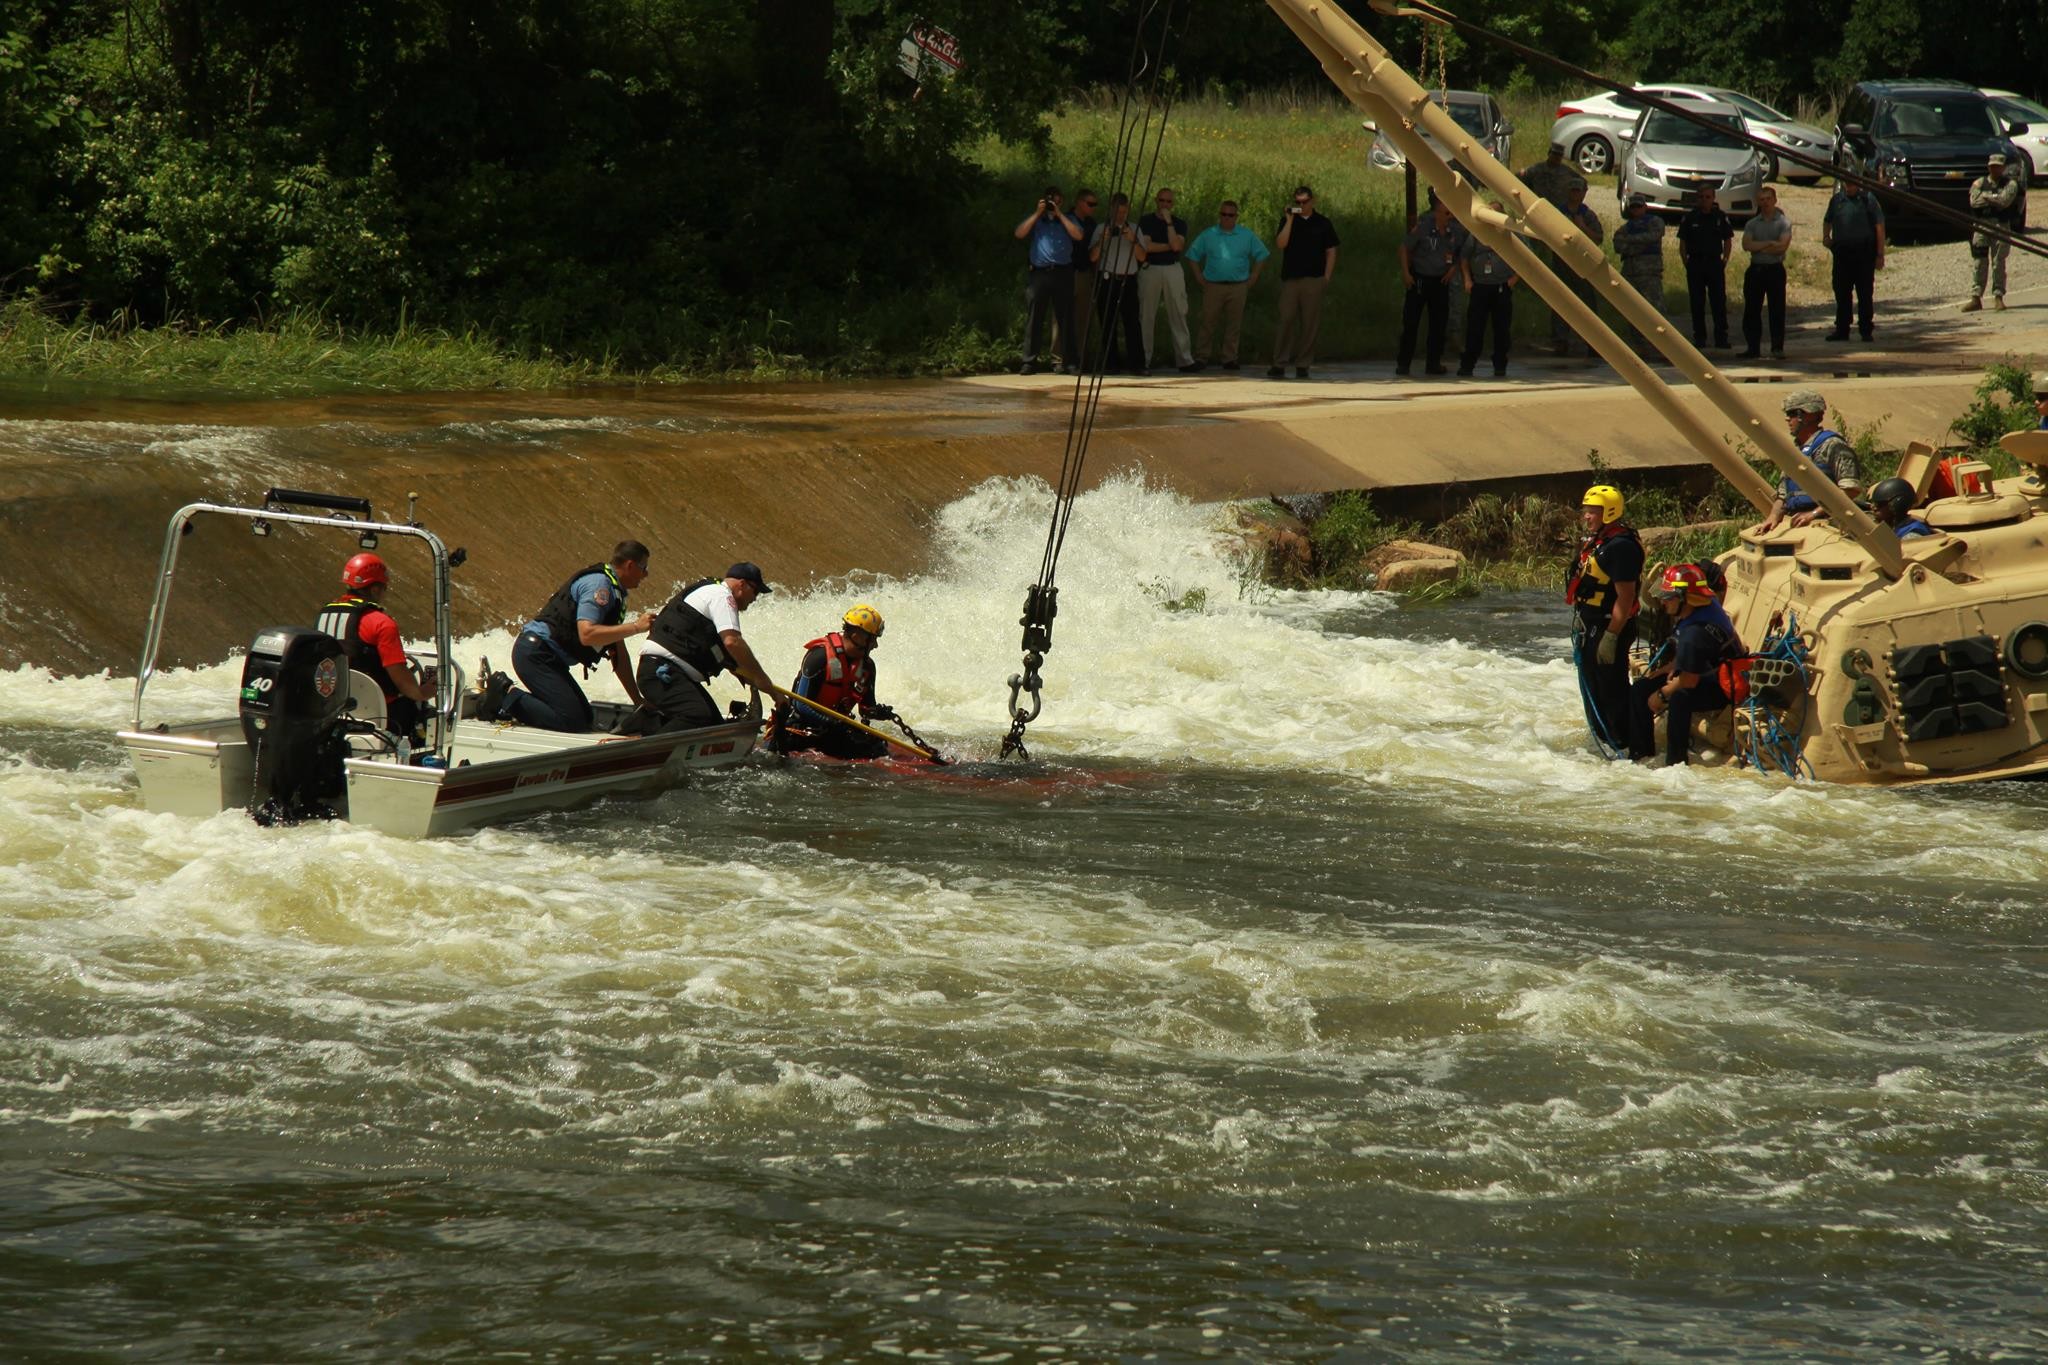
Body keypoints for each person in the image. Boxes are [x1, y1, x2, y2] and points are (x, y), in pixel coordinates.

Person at [481, 542, 653, 732]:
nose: (646, 574)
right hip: (535, 653)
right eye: (643, 568)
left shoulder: (616, 592)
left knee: (586, 717)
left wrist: (638, 701)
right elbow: (587, 634)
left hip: (550, 659)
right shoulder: (600, 586)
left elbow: (618, 654)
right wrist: (637, 627)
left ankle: (516, 700)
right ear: (630, 565)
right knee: (573, 721)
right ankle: (505, 694)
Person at [634, 563, 778, 731]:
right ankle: (647, 739)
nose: (755, 598)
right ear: (742, 584)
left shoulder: (712, 593)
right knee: (698, 717)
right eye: (756, 591)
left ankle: (646, 722)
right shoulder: (722, 596)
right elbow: (732, 642)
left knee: (713, 727)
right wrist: (765, 682)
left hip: (671, 673)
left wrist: (752, 677)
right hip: (661, 672)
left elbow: (723, 653)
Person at [1629, 563, 1744, 768]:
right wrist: (1668, 668)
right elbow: (1692, 661)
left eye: (1668, 598)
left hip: (1719, 686)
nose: (1663, 603)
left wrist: (1661, 695)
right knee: (1640, 689)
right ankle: (1641, 756)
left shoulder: (1695, 633)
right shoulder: (1703, 606)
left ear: (1686, 599)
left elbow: (1688, 681)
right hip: (1700, 670)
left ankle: (1675, 762)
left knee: (1679, 698)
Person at [317, 552, 432, 744]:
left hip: (333, 708)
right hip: (380, 714)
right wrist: (423, 692)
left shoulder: (323, 616)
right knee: (417, 707)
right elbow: (401, 679)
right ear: (376, 589)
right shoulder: (381, 623)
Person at [1567, 484, 1643, 754]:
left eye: (1593, 512)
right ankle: (1602, 737)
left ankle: (1620, 741)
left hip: (1609, 626)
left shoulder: (1621, 547)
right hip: (1591, 624)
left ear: (1609, 513)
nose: (1586, 517)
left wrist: (1611, 636)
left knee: (1610, 687)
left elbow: (1625, 597)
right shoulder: (1599, 541)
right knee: (1594, 684)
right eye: (1585, 511)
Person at [770, 604, 896, 760]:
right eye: (872, 639)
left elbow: (866, 709)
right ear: (857, 636)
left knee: (878, 749)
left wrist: (878, 712)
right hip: (804, 727)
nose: (875, 645)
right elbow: (800, 705)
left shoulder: (867, 667)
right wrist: (829, 721)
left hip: (835, 731)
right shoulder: (819, 657)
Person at [1184, 200, 1269, 371]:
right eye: (1223, 214)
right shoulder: (1209, 234)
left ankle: (1229, 358)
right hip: (1213, 285)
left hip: (1238, 286)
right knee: (1207, 322)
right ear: (1219, 215)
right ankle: (1201, 357)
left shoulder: (1246, 235)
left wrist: (1254, 275)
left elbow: (1262, 254)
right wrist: (1199, 276)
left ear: (1236, 217)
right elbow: (1192, 254)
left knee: (1234, 324)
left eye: (1230, 215)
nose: (1226, 218)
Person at [1761, 389, 1864, 530]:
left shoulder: (1832, 445)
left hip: (1827, 524)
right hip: (1796, 521)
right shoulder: (1796, 450)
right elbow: (1783, 493)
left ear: (1808, 416)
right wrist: (1773, 516)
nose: (1787, 419)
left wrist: (1813, 514)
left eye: (1792, 414)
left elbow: (1851, 489)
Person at [1267, 185, 1339, 380]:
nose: (1301, 206)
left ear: (1312, 201)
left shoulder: (1323, 223)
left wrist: (1326, 277)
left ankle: (1303, 364)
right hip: (1291, 278)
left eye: (1304, 202)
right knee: (1286, 320)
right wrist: (1290, 220)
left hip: (1314, 279)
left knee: (1309, 323)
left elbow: (1331, 250)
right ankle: (1279, 363)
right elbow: (1280, 244)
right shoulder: (1287, 220)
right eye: (1297, 202)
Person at [1013, 186, 1083, 376]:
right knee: (1035, 318)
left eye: (1057, 200)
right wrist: (1037, 213)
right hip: (1040, 273)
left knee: (1066, 318)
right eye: (1051, 200)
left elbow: (1078, 235)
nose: (1054, 203)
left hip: (1063, 273)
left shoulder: (1068, 219)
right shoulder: (1038, 220)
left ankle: (1070, 362)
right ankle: (1029, 361)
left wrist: (1060, 214)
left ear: (1062, 201)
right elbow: (1019, 233)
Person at [1395, 191, 1464, 377]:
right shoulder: (1423, 228)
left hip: (1440, 281)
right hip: (1419, 279)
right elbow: (1404, 248)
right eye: (1447, 214)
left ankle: (1433, 363)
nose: (1450, 217)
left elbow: (1463, 253)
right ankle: (1403, 363)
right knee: (1411, 323)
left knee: (1438, 325)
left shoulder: (1455, 231)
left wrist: (1454, 268)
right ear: (1437, 213)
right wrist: (1406, 273)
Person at [1519, 142, 1579, 353]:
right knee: (1535, 250)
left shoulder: (1567, 173)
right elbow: (1519, 178)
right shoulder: (1537, 170)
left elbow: (1582, 183)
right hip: (1538, 217)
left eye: (1558, 155)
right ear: (1548, 154)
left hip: (1557, 218)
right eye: (1553, 154)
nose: (1555, 158)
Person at [1137, 188, 1198, 374]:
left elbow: (1178, 246)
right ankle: (1143, 359)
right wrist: (1169, 246)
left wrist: (1169, 223)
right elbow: (1146, 246)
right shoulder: (1146, 221)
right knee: (1146, 314)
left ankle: (1185, 359)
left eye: (1168, 202)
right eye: (1162, 200)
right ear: (1156, 200)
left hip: (1172, 268)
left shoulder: (1179, 223)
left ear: (1173, 204)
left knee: (1178, 312)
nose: (1165, 205)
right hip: (1150, 269)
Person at [1821, 176, 1885, 342]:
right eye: (1846, 184)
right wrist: (1826, 237)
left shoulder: (1868, 199)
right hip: (1842, 253)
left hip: (1864, 253)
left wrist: (1880, 254)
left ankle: (1866, 329)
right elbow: (1827, 220)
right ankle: (1842, 329)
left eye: (1851, 183)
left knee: (1864, 293)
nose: (1848, 187)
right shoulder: (1837, 200)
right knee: (1841, 291)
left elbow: (1879, 226)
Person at [1456, 202, 1517, 377]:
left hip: (1501, 287)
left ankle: (1500, 365)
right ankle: (1467, 365)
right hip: (1480, 286)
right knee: (1475, 328)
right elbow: (1465, 257)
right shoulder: (1477, 234)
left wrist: (1513, 280)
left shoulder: (1509, 234)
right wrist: (1467, 279)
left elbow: (1525, 259)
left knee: (1501, 329)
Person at [1089, 192, 1147, 375]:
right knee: (1107, 323)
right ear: (1111, 210)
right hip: (1107, 279)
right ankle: (1111, 363)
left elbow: (1142, 257)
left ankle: (1137, 364)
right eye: (1117, 212)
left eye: (1124, 212)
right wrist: (1102, 240)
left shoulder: (1135, 229)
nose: (1120, 216)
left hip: (1128, 279)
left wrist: (1133, 240)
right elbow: (1092, 257)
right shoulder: (1100, 229)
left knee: (1132, 323)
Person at [1676, 185, 1733, 349]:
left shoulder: (1720, 217)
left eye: (1708, 197)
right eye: (1701, 197)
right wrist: (1686, 262)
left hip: (1715, 263)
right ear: (1697, 198)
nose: (1704, 200)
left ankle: (1721, 338)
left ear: (1713, 198)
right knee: (1697, 302)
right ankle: (1699, 337)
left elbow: (1728, 240)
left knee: (1719, 302)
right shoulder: (1690, 218)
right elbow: (1683, 243)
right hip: (1695, 263)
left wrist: (1725, 260)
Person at [1964, 154, 2022, 313]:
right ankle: (1976, 298)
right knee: (1979, 262)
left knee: (1999, 262)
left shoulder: (2010, 184)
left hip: (2001, 226)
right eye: (1992, 166)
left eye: (1997, 166)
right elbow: (1974, 202)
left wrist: (1987, 197)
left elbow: (2005, 201)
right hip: (1981, 226)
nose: (1994, 169)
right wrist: (1994, 198)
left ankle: (1998, 296)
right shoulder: (1979, 183)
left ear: (2003, 167)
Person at [1740, 186, 1792, 359]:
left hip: (1775, 270)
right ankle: (1752, 348)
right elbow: (1747, 245)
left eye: (1768, 199)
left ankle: (1777, 347)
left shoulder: (1783, 222)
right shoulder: (1752, 224)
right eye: (1762, 199)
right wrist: (1770, 243)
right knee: (1752, 310)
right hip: (1755, 270)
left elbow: (1782, 247)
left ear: (1775, 200)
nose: (1765, 203)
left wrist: (1760, 246)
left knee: (1776, 310)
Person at [1613, 192, 1667, 357]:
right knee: (1633, 311)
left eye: (1639, 206)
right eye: (1633, 207)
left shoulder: (1655, 221)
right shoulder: (1625, 228)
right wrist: (1638, 244)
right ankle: (1640, 346)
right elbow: (1618, 245)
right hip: (1631, 273)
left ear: (1645, 207)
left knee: (1655, 310)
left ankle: (1664, 346)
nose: (1636, 210)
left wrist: (1631, 242)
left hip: (1650, 273)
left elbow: (1653, 236)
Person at [1556, 178, 1605, 358]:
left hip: (1583, 267)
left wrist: (1582, 227)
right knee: (1561, 303)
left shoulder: (1588, 215)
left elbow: (1598, 238)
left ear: (1584, 193)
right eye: (1573, 190)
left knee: (1588, 305)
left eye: (1578, 191)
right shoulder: (1558, 213)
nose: (1575, 194)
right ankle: (1561, 341)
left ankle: (1593, 343)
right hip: (1563, 264)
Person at [1060, 189, 1099, 371]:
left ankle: (1079, 357)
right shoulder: (1065, 218)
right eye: (1090, 204)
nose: (1093, 208)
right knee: (1062, 316)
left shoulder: (1092, 224)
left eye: (1095, 204)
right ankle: (1058, 358)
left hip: (1085, 272)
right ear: (1079, 202)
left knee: (1083, 317)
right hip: (1067, 271)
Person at [1869, 477, 1934, 539]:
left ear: (1897, 505)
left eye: (1879, 504)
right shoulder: (1895, 528)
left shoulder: (1912, 535)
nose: (1874, 508)